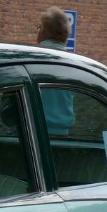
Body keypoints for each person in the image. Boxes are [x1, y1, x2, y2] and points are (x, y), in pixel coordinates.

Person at [36, 7, 75, 135]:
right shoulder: (74, 64)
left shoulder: (33, 58)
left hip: (33, 131)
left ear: (45, 32)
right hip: (63, 134)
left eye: (39, 28)